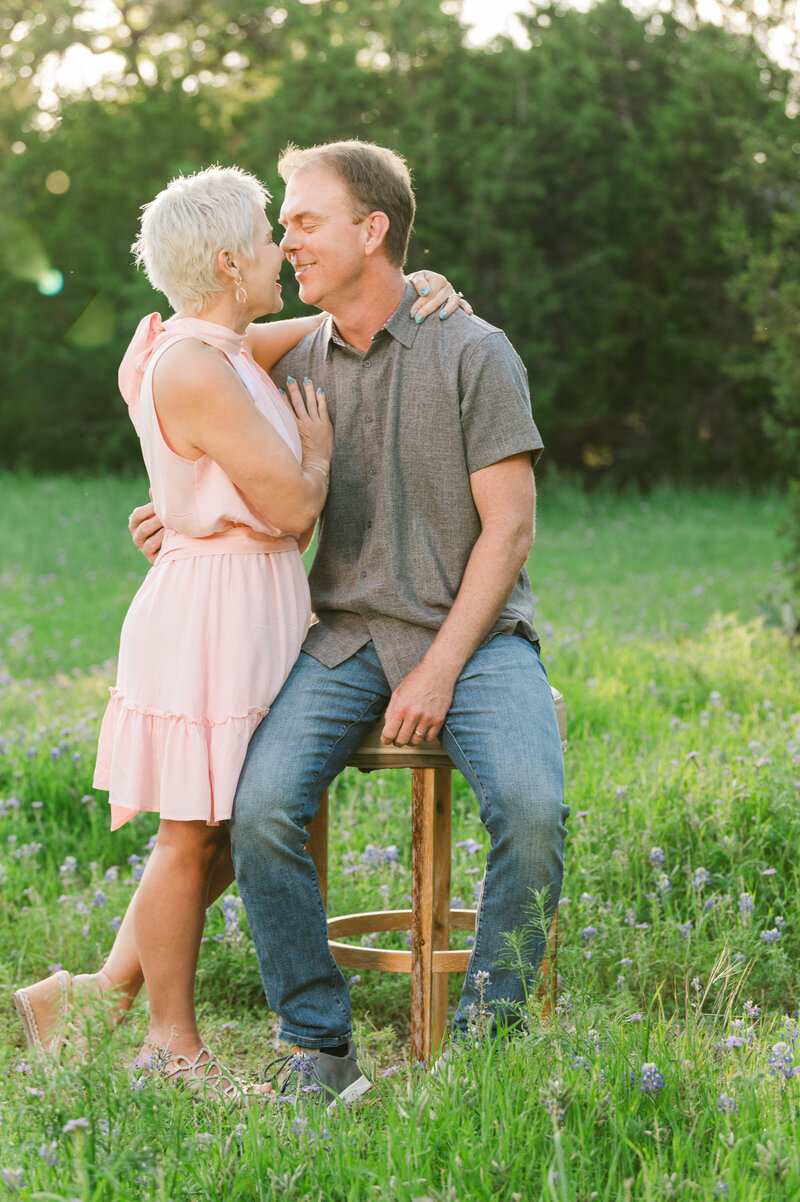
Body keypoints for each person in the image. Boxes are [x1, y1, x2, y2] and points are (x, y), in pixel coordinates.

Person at [11, 163, 462, 1102]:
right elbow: (295, 506)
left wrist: (410, 293)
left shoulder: (222, 347)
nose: (280, 250)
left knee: (223, 834)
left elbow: (314, 333)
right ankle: (170, 1047)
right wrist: (319, 454)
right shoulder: (191, 363)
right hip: (214, 616)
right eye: (267, 237)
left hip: (249, 605)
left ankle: (89, 996)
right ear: (227, 260)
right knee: (192, 835)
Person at [137, 140, 567, 1106]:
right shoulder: (294, 356)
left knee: (534, 812)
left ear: (373, 231)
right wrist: (184, 504)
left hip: (476, 636)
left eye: (305, 221)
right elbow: (193, 367)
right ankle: (319, 1047)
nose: (285, 240)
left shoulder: (475, 351)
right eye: (280, 223)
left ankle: (488, 1055)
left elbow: (511, 532)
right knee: (258, 812)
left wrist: (442, 670)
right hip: (338, 637)